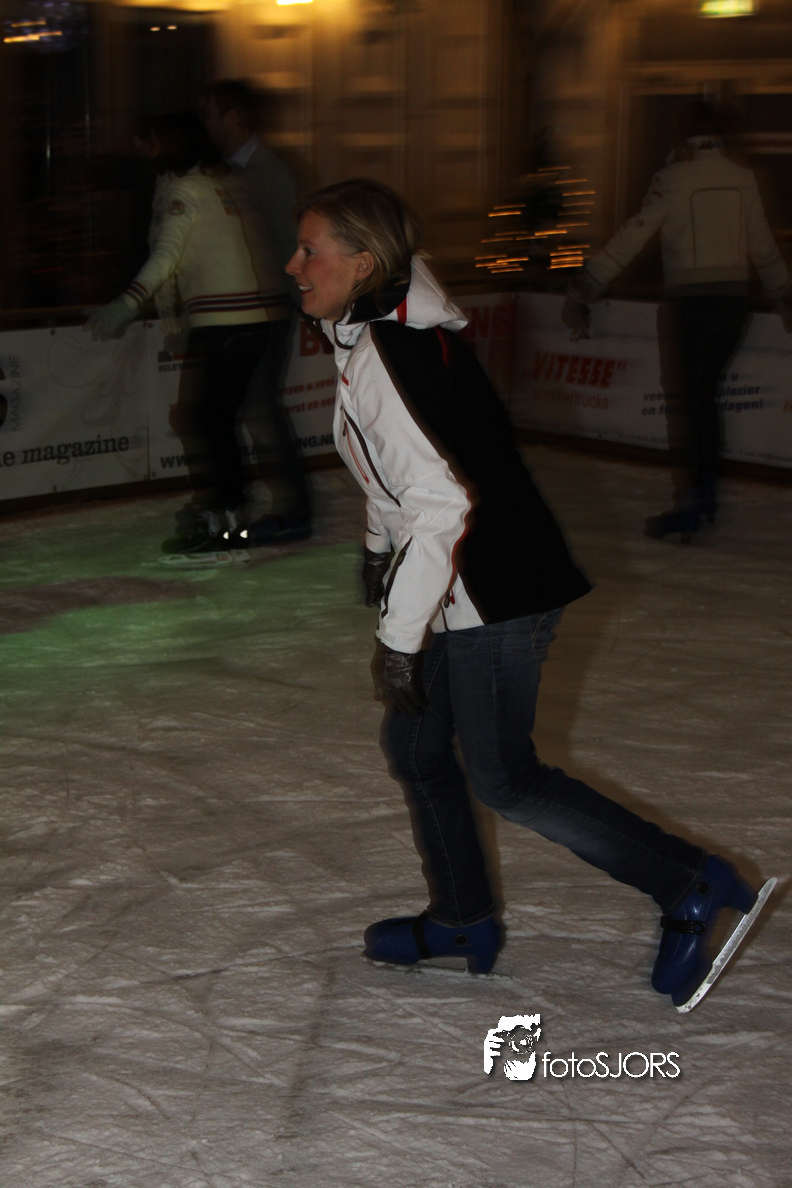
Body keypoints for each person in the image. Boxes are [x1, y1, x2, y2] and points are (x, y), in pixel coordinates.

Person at [285, 177, 771, 1007]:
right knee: (418, 748)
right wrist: (377, 547)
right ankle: (462, 919)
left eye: (310, 251)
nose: (294, 265)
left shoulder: (387, 351)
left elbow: (439, 506)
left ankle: (691, 882)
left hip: (494, 588)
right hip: (468, 576)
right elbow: (401, 473)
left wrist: (398, 643)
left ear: (363, 264)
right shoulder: (379, 331)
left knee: (505, 776)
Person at [563, 99, 791, 542]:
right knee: (706, 399)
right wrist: (785, 294)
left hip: (690, 306)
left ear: (683, 133)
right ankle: (707, 491)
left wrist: (585, 286)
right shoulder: (742, 177)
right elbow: (763, 247)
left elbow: (631, 238)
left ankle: (688, 503)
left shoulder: (672, 179)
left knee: (688, 403)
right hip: (733, 307)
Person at [86, 112, 293, 555]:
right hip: (248, 319)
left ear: (168, 146)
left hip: (226, 322)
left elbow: (166, 256)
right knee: (211, 419)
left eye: (149, 144)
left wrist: (125, 304)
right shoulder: (221, 185)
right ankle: (225, 512)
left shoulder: (186, 192)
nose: (144, 153)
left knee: (207, 420)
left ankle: (224, 518)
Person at [199, 79, 311, 544]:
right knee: (250, 406)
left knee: (261, 406)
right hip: (252, 311)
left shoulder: (267, 172)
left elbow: (289, 245)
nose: (205, 123)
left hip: (269, 310)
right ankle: (281, 505)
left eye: (210, 113)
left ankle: (295, 509)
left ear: (234, 118)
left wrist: (291, 300)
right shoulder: (233, 172)